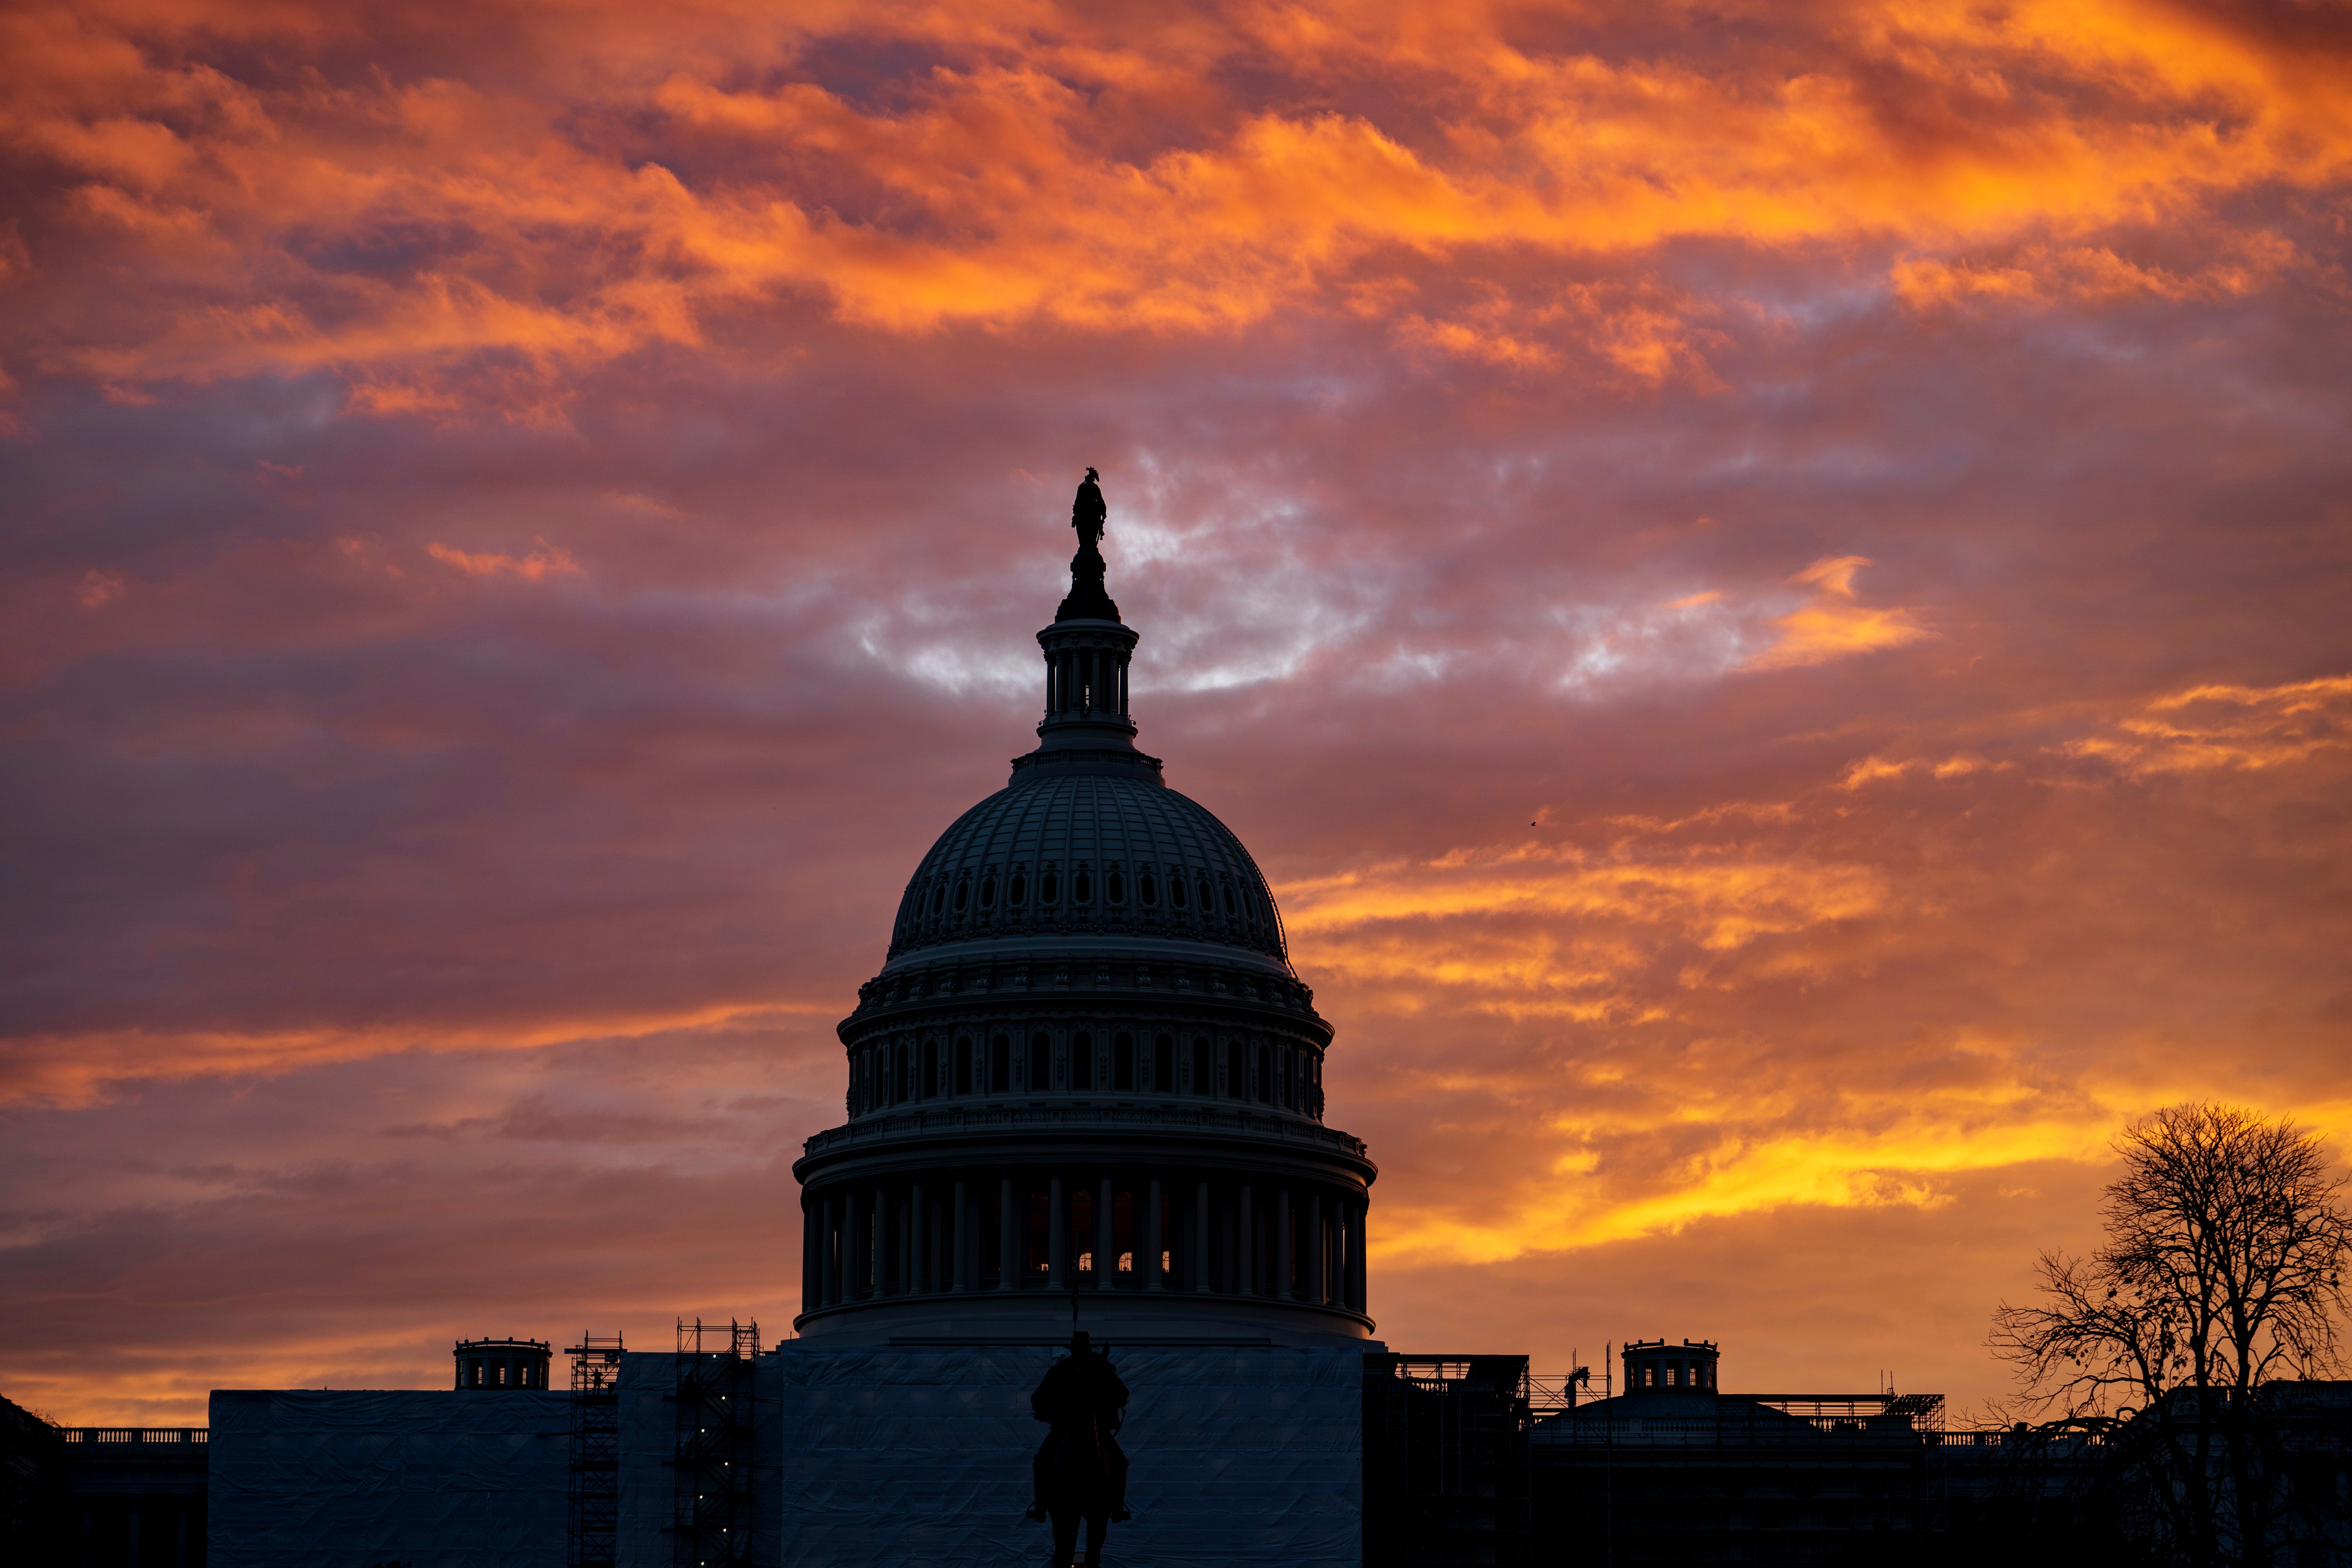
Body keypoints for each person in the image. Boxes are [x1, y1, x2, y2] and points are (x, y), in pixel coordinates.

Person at [1027, 1330, 1131, 1561]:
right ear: (1074, 1350)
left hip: (1098, 1428)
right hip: (1064, 1428)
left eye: (1085, 1349)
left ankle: (1117, 1506)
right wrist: (1057, 1410)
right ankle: (1041, 1505)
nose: (1082, 1352)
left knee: (1121, 1462)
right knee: (1042, 1460)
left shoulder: (1100, 1367)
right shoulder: (1060, 1370)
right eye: (1080, 1349)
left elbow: (1123, 1395)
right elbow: (1038, 1399)